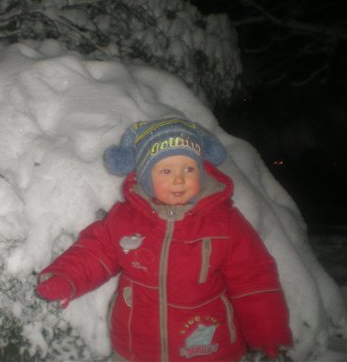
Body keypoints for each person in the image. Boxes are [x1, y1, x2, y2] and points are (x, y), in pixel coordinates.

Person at [35, 118, 293, 362]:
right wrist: (66, 277)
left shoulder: (226, 224)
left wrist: (268, 333)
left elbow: (254, 278)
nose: (179, 179)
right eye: (166, 170)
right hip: (137, 348)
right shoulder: (125, 220)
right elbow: (95, 252)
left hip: (209, 349)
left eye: (189, 169)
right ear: (146, 178)